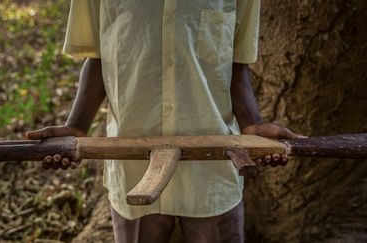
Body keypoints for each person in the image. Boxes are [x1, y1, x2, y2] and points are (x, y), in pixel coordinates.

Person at [26, 0, 305, 242]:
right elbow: (99, 57)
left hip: (210, 173)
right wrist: (77, 127)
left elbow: (235, 62)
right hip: (133, 168)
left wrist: (252, 125)